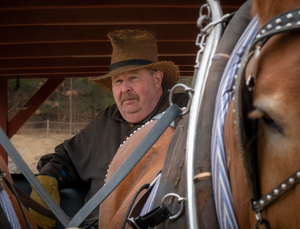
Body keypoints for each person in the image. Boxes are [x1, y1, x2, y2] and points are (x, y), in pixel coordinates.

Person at [29, 29, 189, 229]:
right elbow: (67, 157)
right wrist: (48, 178)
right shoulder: (106, 119)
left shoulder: (187, 112)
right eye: (118, 81)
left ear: (157, 79)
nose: (125, 89)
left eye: (133, 78)